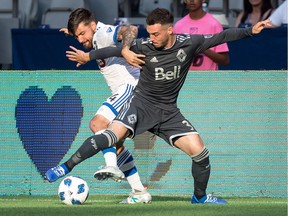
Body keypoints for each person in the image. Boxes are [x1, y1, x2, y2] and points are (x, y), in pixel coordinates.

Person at [46, 8, 271, 204]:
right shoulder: (145, 46)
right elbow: (113, 50)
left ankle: (200, 197)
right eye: (150, 33)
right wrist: (89, 56)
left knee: (200, 153)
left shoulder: (190, 43)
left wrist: (250, 31)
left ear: (170, 30)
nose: (151, 38)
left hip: (168, 112)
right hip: (141, 106)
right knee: (108, 134)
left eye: (155, 33)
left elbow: (222, 35)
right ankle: (66, 167)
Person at [45, 8, 152, 204]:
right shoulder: (95, 35)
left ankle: (110, 166)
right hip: (127, 90)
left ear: (93, 25)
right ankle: (139, 191)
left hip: (130, 87)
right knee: (115, 144)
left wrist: (126, 49)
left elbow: (130, 30)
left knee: (97, 124)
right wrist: (74, 31)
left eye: (82, 33)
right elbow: (89, 34)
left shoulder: (103, 33)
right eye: (76, 36)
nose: (79, 40)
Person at [173, 0, 229, 70]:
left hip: (207, 78)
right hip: (184, 78)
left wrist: (202, 48)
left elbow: (224, 60)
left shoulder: (214, 25)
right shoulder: (178, 26)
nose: (191, 1)